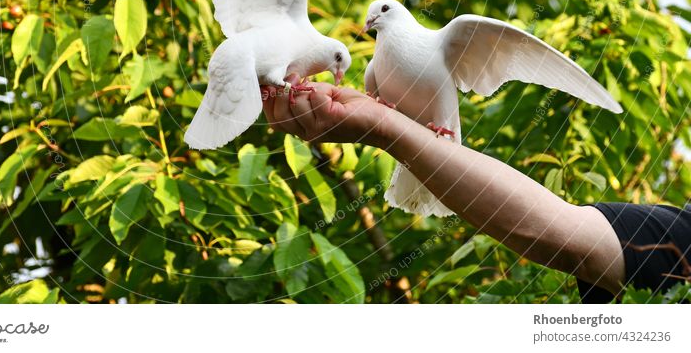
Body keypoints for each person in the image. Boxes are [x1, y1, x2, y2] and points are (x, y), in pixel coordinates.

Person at [262, 77, 691, 303]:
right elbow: (558, 230)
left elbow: (559, 236)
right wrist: (386, 125)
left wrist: (389, 129)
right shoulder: (679, 238)